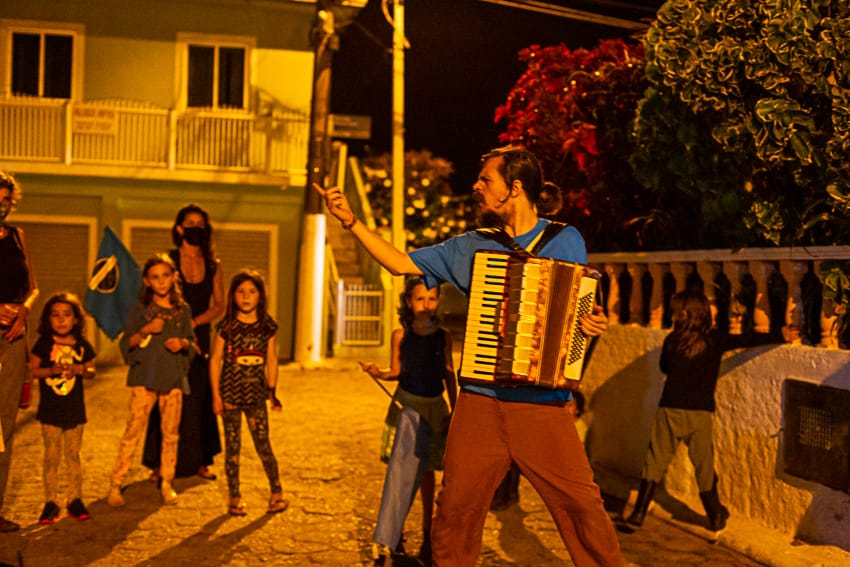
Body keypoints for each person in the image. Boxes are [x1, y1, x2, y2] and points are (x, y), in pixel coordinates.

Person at [316, 146, 623, 566]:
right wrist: (351, 222)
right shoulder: (471, 247)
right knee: (456, 509)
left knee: (583, 508)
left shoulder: (566, 240)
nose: (476, 186)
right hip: (481, 402)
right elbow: (399, 263)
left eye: (486, 180)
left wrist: (588, 325)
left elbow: (576, 315)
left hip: (544, 406)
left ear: (514, 188)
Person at [624, 289, 795, 532]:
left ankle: (638, 513)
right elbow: (745, 340)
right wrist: (780, 334)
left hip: (669, 409)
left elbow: (664, 367)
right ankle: (714, 515)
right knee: (704, 465)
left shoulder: (672, 340)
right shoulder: (715, 340)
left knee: (655, 461)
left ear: (683, 314)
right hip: (699, 413)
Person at [359, 276, 458, 566]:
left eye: (432, 298)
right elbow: (396, 372)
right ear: (408, 302)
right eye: (419, 298)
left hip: (434, 409)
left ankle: (428, 535)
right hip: (408, 407)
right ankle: (395, 534)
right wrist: (377, 372)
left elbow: (448, 374)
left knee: (428, 474)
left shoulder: (443, 336)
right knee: (400, 472)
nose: (426, 304)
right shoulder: (400, 335)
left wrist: (456, 411)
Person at [144, 204, 223, 482]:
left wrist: (193, 324)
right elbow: (155, 295)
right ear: (179, 228)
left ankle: (201, 461)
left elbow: (219, 305)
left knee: (198, 396)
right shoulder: (169, 261)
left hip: (198, 336)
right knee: (164, 396)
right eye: (190, 223)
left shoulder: (214, 265)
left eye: (200, 223)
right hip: (167, 335)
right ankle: (158, 463)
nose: (195, 228)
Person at [107, 254, 195, 507]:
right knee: (132, 430)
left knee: (170, 434)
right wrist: (146, 330)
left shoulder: (182, 310)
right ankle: (116, 482)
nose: (162, 282)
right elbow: (126, 343)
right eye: (155, 277)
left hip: (173, 379)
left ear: (174, 277)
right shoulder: (140, 309)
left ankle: (167, 481)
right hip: (145, 377)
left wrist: (182, 343)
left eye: (166, 275)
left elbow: (190, 342)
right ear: (147, 281)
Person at [209, 269, 286, 517]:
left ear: (260, 296)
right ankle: (235, 498)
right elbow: (216, 360)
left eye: (252, 291)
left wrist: (272, 391)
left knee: (263, 445)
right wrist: (216, 396)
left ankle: (277, 494)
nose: (246, 297)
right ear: (233, 296)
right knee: (233, 448)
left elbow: (271, 359)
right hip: (230, 396)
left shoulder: (267, 326)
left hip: (256, 398)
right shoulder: (226, 327)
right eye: (240, 291)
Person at [29, 292, 96, 523]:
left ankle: (75, 500)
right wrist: (50, 371)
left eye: (67, 315)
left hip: (74, 409)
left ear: (76, 319)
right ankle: (51, 502)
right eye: (55, 315)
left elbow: (91, 371)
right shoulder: (44, 344)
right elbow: (31, 370)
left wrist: (80, 370)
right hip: (50, 410)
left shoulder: (82, 345)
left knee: (73, 455)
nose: (61, 320)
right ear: (48, 320)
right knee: (51, 456)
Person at [0, 170, 39, 533]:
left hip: (13, 337)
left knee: (5, 427)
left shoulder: (17, 237)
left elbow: (33, 287)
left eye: (6, 200)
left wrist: (24, 309)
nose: (1, 206)